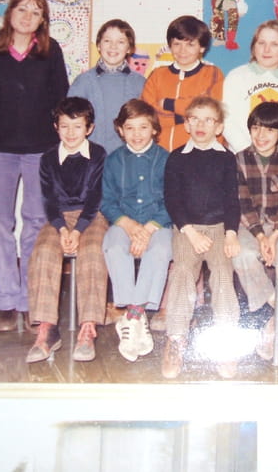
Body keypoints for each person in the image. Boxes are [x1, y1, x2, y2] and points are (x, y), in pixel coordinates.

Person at [0, 0, 69, 333]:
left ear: (42, 21)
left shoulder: (50, 52)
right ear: (10, 13)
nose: (27, 17)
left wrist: (66, 147)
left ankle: (30, 299)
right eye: (22, 9)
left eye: (35, 12)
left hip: (41, 150)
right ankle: (6, 301)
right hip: (0, 150)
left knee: (36, 222)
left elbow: (62, 102)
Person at [161, 96, 241, 379]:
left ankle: (226, 342)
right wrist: (190, 232)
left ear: (219, 127)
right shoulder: (176, 158)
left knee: (222, 273)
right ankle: (176, 339)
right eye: (195, 118)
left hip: (219, 228)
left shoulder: (227, 158)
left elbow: (232, 199)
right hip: (187, 228)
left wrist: (231, 233)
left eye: (208, 120)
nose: (201, 125)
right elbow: (172, 200)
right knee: (182, 271)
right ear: (186, 124)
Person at [26, 97, 108, 363]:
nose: (71, 133)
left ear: (89, 128)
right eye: (64, 126)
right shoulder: (48, 158)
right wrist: (62, 229)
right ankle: (47, 328)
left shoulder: (98, 155)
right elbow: (49, 200)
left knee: (93, 251)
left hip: (92, 216)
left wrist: (78, 230)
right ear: (56, 127)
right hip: (59, 218)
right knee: (44, 251)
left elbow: (95, 198)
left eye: (77, 126)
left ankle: (88, 328)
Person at [101, 99, 172, 362]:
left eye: (143, 127)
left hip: (159, 223)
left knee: (160, 250)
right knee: (113, 247)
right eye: (130, 128)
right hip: (124, 222)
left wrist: (149, 228)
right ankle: (138, 317)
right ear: (120, 130)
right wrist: (128, 225)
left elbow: (173, 200)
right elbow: (106, 201)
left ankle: (132, 316)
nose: (137, 134)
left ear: (154, 129)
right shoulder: (113, 160)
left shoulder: (166, 159)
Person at [231, 102, 278, 361]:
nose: (261, 135)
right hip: (250, 226)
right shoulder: (239, 159)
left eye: (269, 130)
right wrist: (261, 236)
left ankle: (277, 323)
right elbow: (241, 203)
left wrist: (274, 236)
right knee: (242, 255)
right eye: (256, 128)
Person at [222, 19, 278, 154]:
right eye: (261, 43)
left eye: (274, 44)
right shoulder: (236, 77)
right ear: (254, 46)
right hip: (243, 156)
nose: (266, 50)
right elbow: (228, 121)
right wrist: (250, 154)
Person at [141, 15, 224, 151]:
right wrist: (188, 117)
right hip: (161, 153)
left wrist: (168, 104)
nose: (182, 50)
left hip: (201, 152)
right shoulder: (157, 75)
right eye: (177, 44)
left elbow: (208, 111)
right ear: (170, 46)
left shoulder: (213, 74)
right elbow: (147, 115)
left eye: (190, 44)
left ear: (202, 47)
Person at [67, 19, 146, 155]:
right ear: (98, 45)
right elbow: (70, 122)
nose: (113, 47)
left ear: (129, 48)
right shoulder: (83, 82)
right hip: (91, 157)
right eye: (107, 41)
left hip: (129, 157)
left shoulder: (140, 83)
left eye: (120, 42)